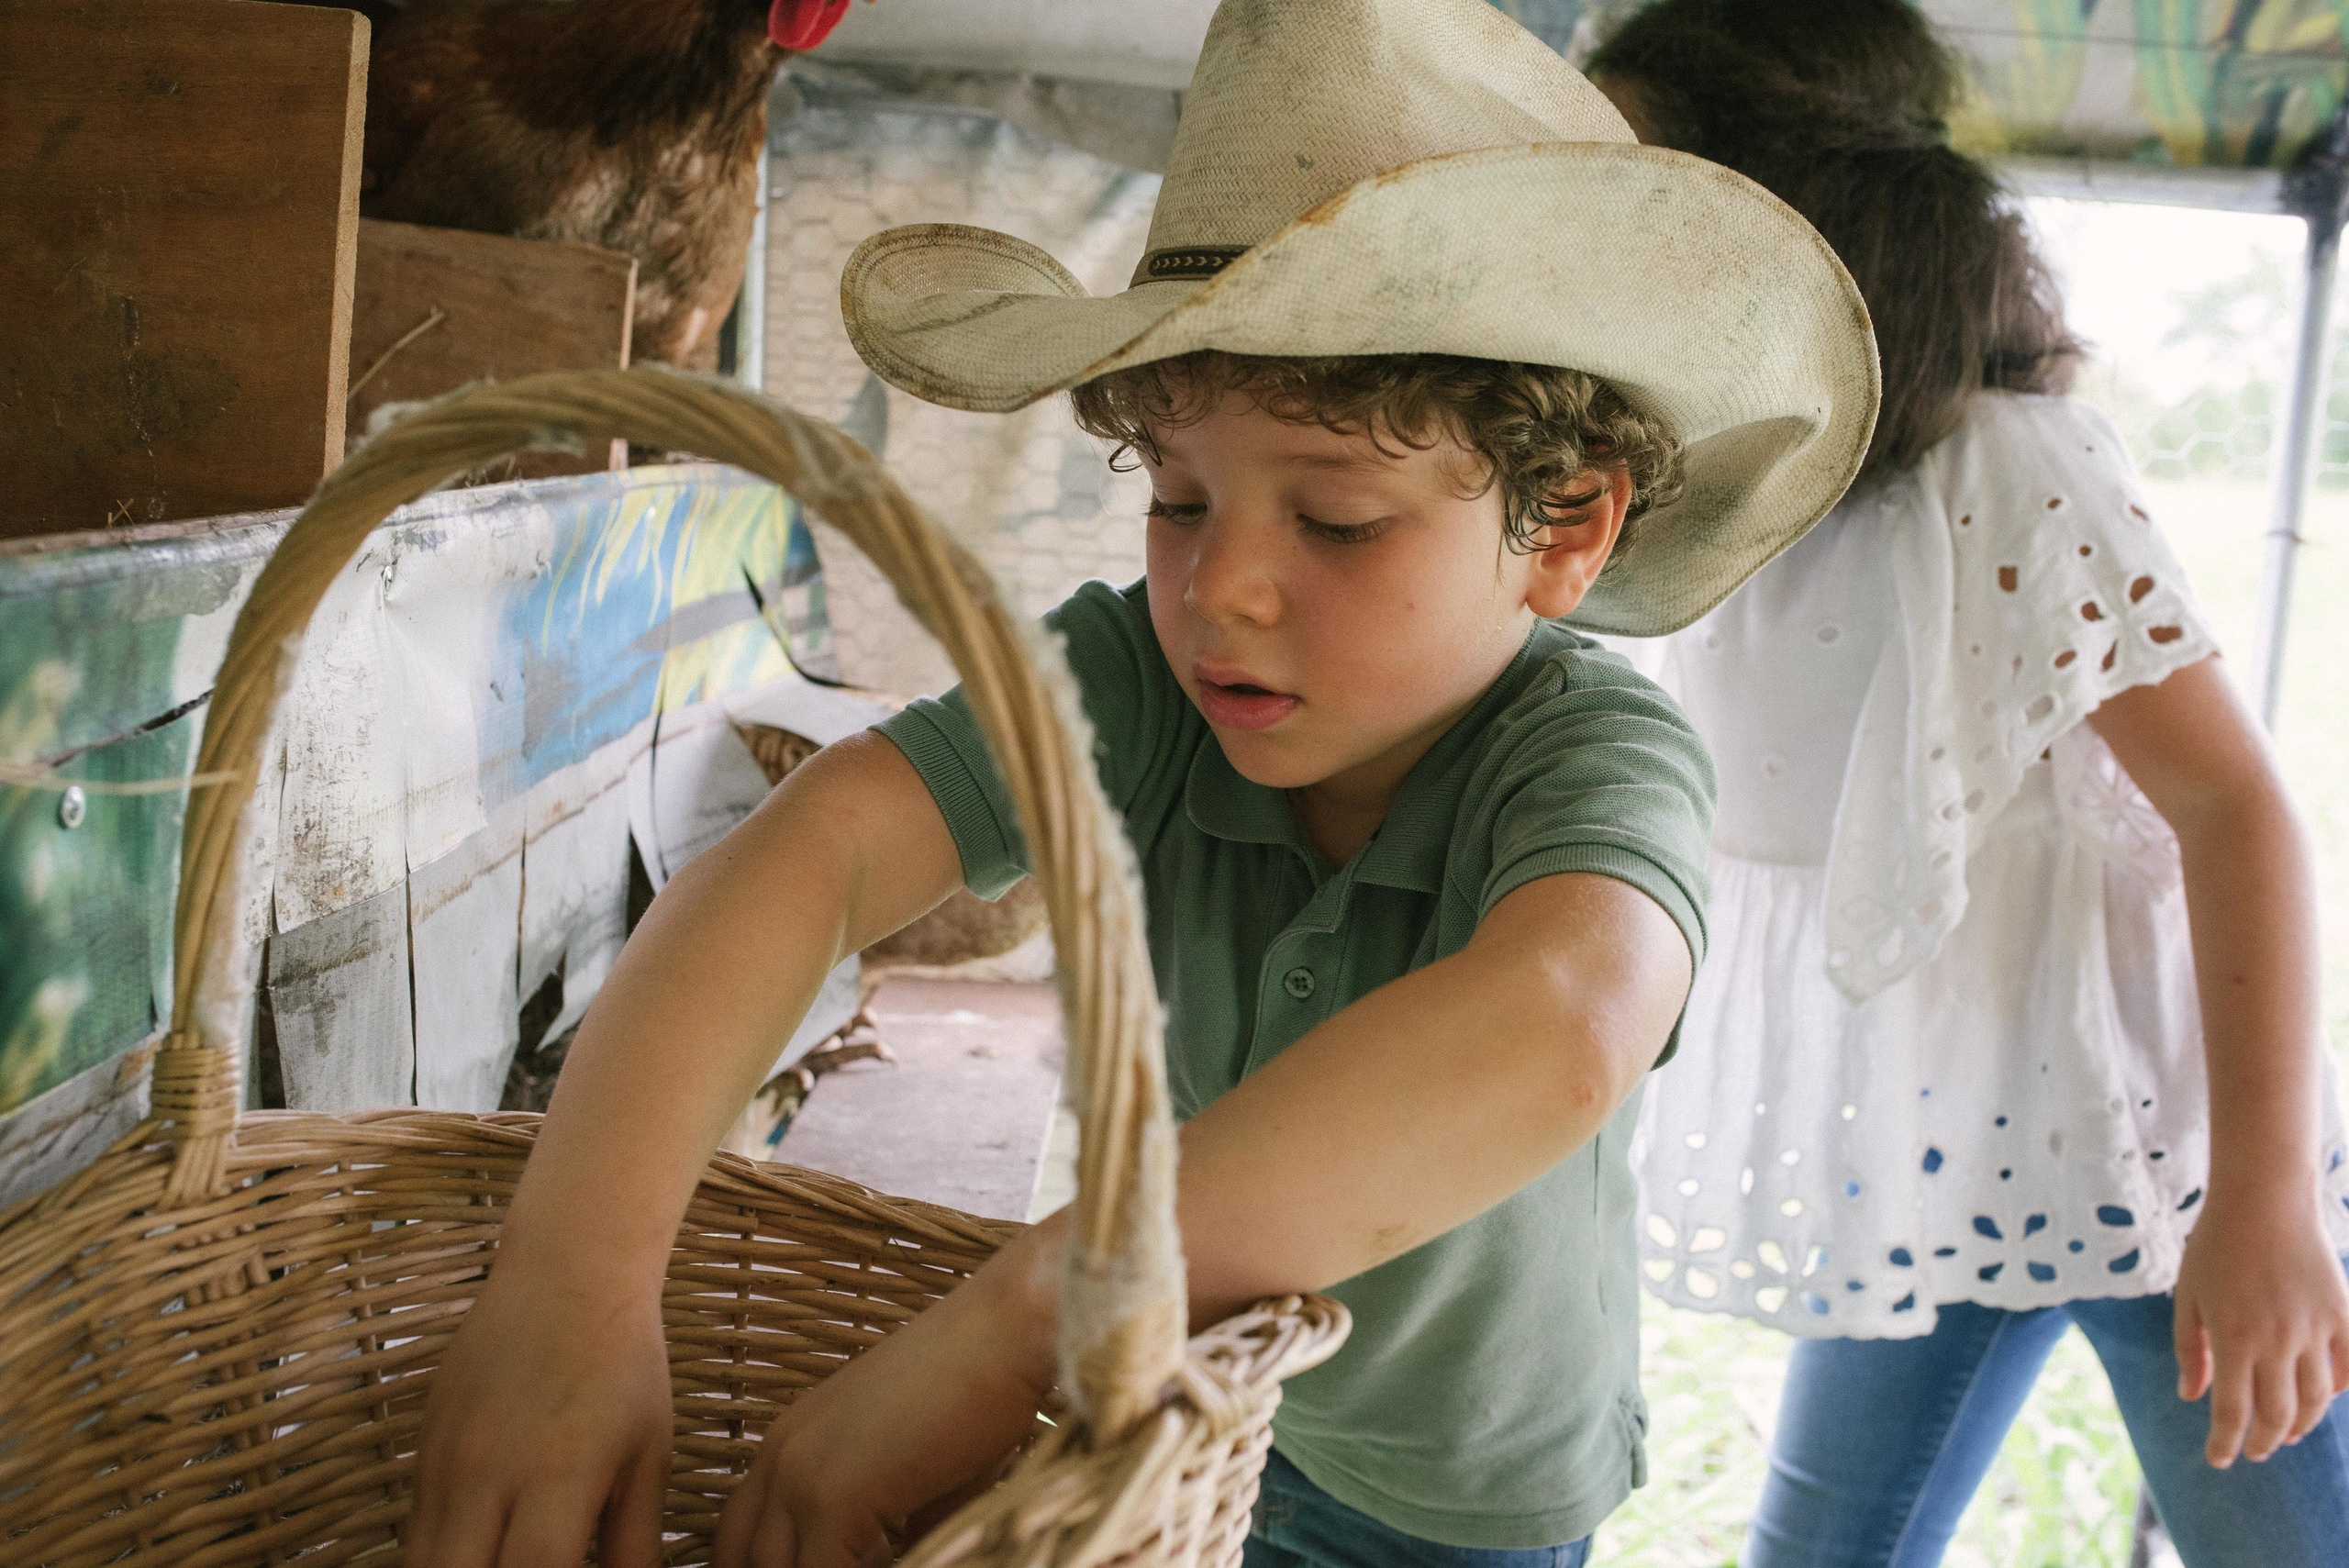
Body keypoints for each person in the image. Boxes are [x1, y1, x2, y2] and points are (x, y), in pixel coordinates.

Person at [400, 2, 1877, 1565]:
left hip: (1449, 1505)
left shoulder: (1588, 752)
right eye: (1179, 498)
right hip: (1175, 1416)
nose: (1218, 587)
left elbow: (1563, 1027)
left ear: (1567, 524)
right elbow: (816, 852)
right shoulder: (1136, 683)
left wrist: (1021, 1317)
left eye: (1340, 521)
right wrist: (572, 1287)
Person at [1586, 4, 2349, 1565]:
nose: (1598, 220)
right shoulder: (1721, 488)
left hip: (2156, 1160)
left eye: (1637, 176)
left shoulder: (2012, 468)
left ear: (1790, 210)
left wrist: (2266, 1203)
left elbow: (2234, 808)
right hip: (1929, 1150)